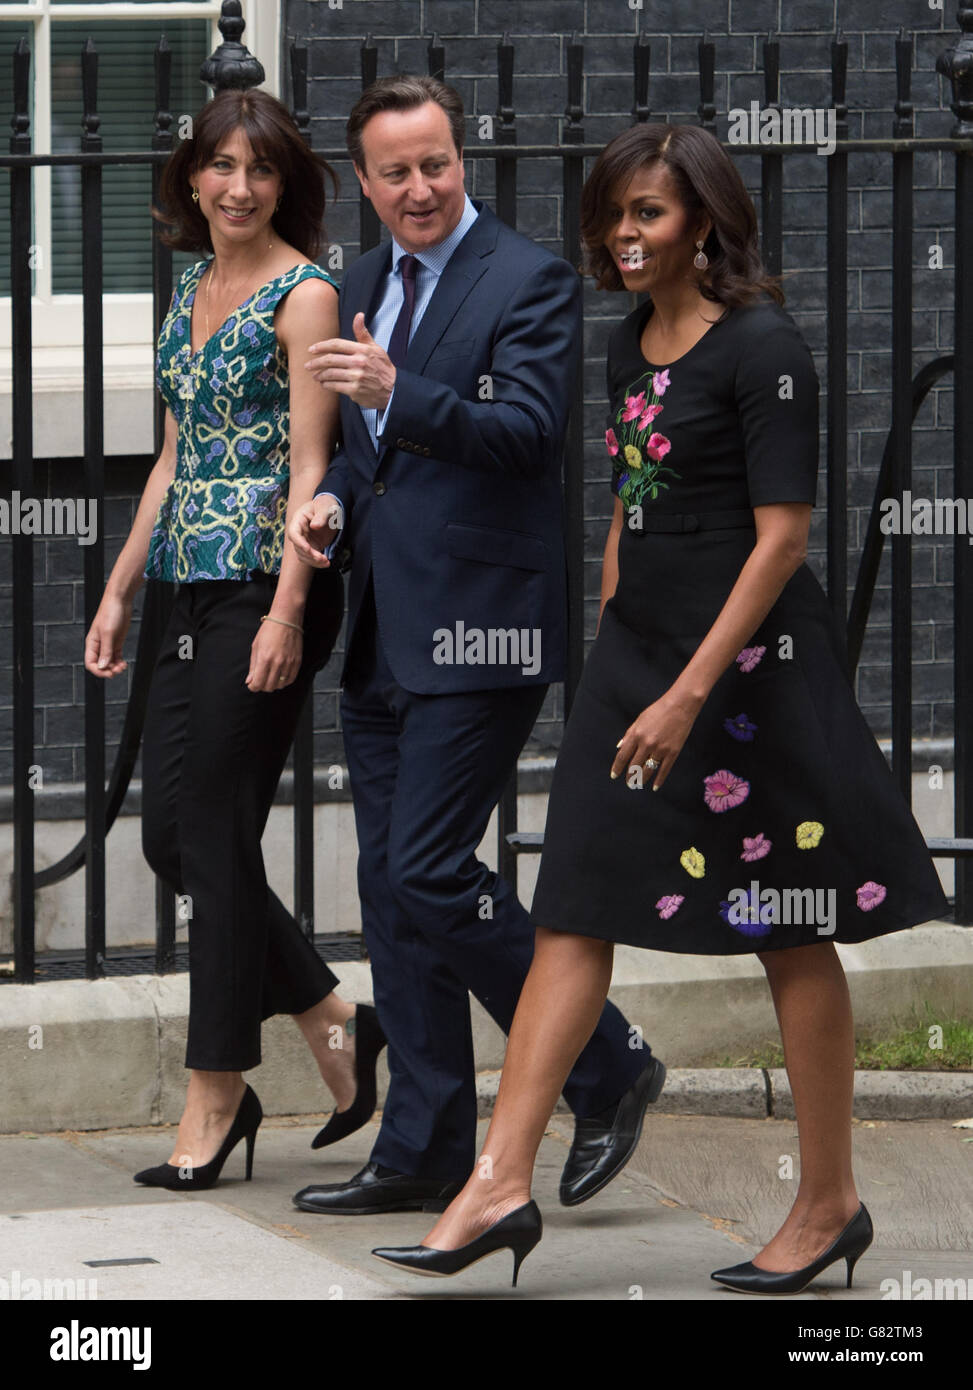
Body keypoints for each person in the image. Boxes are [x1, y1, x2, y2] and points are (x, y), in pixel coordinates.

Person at [370, 122, 950, 1290]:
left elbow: (783, 538)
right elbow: (632, 504)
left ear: (704, 224)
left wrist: (689, 690)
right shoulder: (630, 345)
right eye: (613, 215)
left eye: (648, 215)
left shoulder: (765, 350)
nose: (623, 237)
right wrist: (613, 632)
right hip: (641, 662)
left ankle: (829, 1199)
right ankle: (497, 1181)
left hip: (751, 669)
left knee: (786, 923)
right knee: (573, 905)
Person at [286, 75, 664, 1219]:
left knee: (428, 868)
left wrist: (401, 390)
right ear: (362, 179)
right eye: (394, 171)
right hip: (381, 630)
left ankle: (606, 1060)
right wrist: (335, 504)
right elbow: (366, 455)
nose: (418, 188)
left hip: (484, 628)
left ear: (464, 160)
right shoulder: (359, 282)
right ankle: (425, 1145)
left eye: (436, 164)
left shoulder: (527, 278)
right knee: (393, 892)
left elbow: (523, 434)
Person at [84, 88, 386, 1190]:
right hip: (181, 587)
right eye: (220, 165)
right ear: (193, 177)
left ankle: (218, 1090)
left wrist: (289, 611)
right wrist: (119, 588)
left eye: (259, 168)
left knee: (212, 834)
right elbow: (174, 457)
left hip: (266, 580)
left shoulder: (304, 295)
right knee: (176, 837)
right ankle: (333, 1016)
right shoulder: (190, 289)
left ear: (282, 181)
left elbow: (313, 469)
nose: (238, 186)